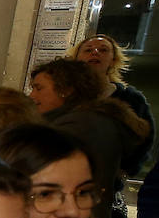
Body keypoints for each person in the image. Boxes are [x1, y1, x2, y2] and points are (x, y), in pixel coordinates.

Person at [29, 58, 150, 218]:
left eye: (39, 88)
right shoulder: (88, 121)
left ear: (66, 90)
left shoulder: (77, 128)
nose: (32, 95)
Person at [66, 33, 155, 174]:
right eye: (88, 50)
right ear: (76, 58)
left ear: (113, 60)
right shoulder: (63, 94)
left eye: (103, 50)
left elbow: (145, 139)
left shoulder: (131, 98)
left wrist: (125, 169)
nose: (95, 52)